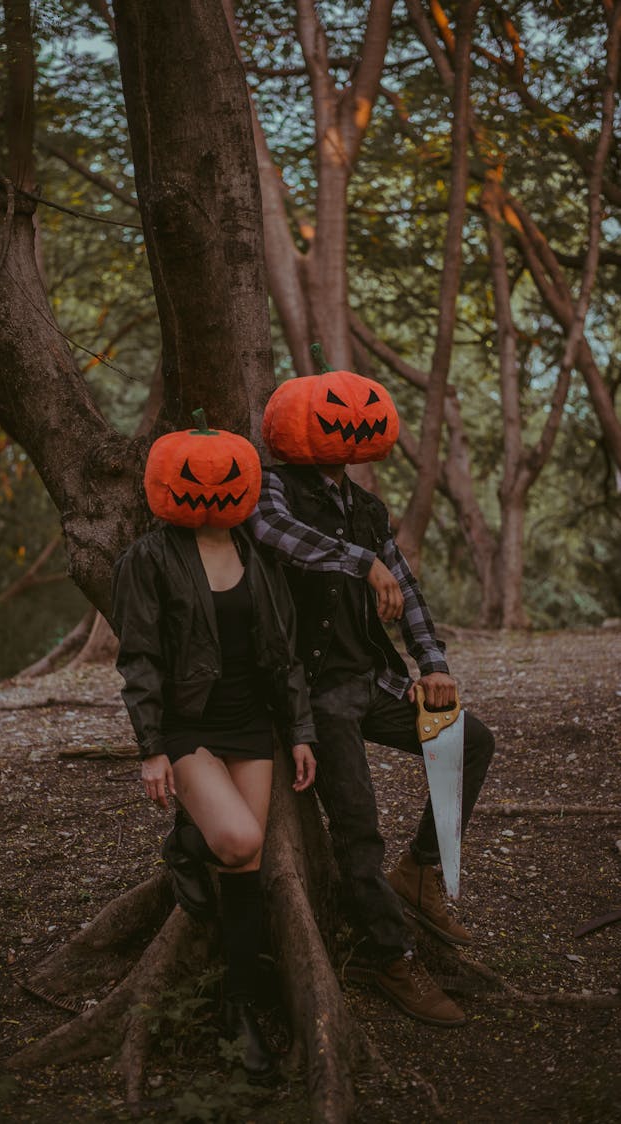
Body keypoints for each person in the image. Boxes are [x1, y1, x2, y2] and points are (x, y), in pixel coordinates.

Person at [250, 368, 495, 1028]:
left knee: (469, 740)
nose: (349, 419)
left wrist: (434, 664)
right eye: (334, 409)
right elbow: (273, 532)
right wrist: (362, 562)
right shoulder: (271, 488)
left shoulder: (367, 508)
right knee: (357, 833)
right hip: (316, 696)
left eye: (361, 409)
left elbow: (408, 594)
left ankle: (419, 871)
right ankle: (391, 957)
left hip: (374, 683)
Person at [111, 414, 316, 1080]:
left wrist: (301, 731)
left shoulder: (259, 554)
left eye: (228, 477)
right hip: (190, 727)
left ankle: (240, 1008)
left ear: (247, 481)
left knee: (246, 869)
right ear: (166, 484)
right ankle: (186, 844)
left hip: (253, 727)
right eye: (196, 479)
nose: (211, 489)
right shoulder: (149, 558)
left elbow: (283, 654)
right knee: (234, 840)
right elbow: (139, 658)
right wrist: (151, 748)